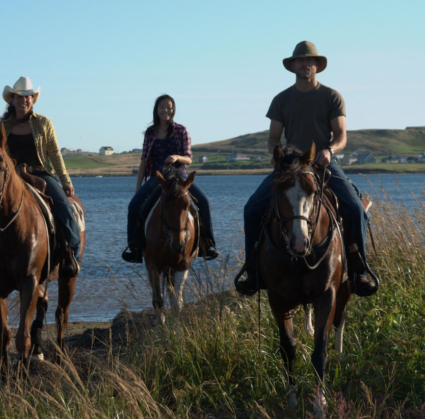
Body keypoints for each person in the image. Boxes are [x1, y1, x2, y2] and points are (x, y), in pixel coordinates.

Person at [235, 41, 377, 296]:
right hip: (290, 166)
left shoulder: (331, 96)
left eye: (309, 60)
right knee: (252, 208)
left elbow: (341, 136)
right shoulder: (281, 99)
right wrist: (278, 154)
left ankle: (359, 269)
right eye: (300, 60)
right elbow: (273, 138)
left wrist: (329, 150)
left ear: (317, 65)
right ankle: (253, 270)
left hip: (323, 163)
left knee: (356, 208)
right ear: (293, 66)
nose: (304, 64)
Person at [0, 76, 82, 280]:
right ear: (12, 100)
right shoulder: (4, 125)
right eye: (19, 97)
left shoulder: (44, 123)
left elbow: (55, 154)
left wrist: (66, 181)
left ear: (32, 100)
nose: (24, 100)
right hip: (13, 177)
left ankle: (72, 255)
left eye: (28, 97)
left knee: (64, 207)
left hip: (41, 173)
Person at [122, 94, 219, 264]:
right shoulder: (150, 132)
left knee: (204, 201)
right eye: (162, 107)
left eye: (169, 107)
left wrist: (176, 157)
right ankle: (134, 247)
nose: (165, 110)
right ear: (156, 110)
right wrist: (138, 187)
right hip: (157, 177)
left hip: (179, 175)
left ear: (173, 109)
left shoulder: (181, 130)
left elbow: (189, 159)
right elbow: (144, 161)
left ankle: (208, 244)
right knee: (133, 206)